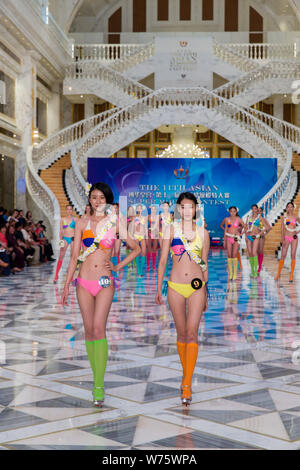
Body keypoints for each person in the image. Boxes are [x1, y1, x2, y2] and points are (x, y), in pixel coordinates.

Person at [62, 182, 140, 407]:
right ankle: (97, 377)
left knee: (99, 327)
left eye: (101, 197)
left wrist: (118, 266)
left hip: (105, 282)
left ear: (107, 200)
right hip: (83, 282)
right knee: (88, 330)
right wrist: (66, 284)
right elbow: (75, 255)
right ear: (89, 200)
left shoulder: (115, 223)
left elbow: (136, 248)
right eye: (94, 197)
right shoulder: (81, 223)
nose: (97, 201)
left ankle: (98, 384)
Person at [156, 192, 209, 406]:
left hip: (197, 286)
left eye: (191, 207)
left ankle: (186, 383)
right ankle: (185, 376)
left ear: (196, 209)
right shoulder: (170, 230)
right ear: (179, 209)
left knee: (192, 333)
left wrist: (207, 291)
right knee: (181, 333)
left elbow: (204, 263)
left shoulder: (203, 233)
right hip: (175, 286)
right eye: (183, 207)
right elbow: (162, 262)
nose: (187, 210)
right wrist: (158, 288)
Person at [275, 202, 300, 282]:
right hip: (286, 237)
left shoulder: (296, 217)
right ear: (286, 208)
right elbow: (282, 228)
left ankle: (291, 276)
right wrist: (283, 238)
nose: (289, 208)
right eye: (288, 207)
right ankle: (278, 274)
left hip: (294, 237)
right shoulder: (284, 217)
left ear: (293, 208)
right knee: (283, 255)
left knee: (293, 255)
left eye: (291, 207)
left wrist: (297, 231)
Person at [221, 207, 247, 281]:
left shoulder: (238, 219)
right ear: (229, 212)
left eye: (234, 211)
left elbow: (245, 227)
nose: (232, 213)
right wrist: (224, 240)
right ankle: (230, 273)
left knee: (234, 255)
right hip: (229, 237)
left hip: (236, 238)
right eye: (231, 211)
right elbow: (225, 229)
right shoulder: (227, 219)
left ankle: (235, 274)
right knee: (229, 255)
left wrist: (241, 233)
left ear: (236, 212)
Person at [54, 205, 77, 283]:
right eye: (68, 209)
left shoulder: (75, 219)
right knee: (61, 256)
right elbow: (60, 231)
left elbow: (77, 231)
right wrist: (61, 242)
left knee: (73, 258)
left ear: (72, 210)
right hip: (65, 238)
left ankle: (71, 277)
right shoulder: (62, 219)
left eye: (70, 209)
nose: (69, 211)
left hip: (73, 238)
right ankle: (56, 275)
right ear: (66, 210)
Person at [245, 204, 269, 279]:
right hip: (249, 236)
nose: (254, 210)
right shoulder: (248, 217)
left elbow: (267, 227)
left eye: (255, 208)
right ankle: (252, 271)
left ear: (257, 209)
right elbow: (246, 227)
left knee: (254, 252)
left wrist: (259, 234)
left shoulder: (259, 217)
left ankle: (255, 272)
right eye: (252, 209)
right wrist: (245, 236)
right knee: (250, 253)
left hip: (255, 237)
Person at [130, 204, 147, 277]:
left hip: (142, 236)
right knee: (137, 252)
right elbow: (132, 227)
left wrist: (146, 236)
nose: (139, 209)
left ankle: (141, 269)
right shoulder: (134, 217)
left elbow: (145, 227)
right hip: (136, 235)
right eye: (138, 208)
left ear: (142, 209)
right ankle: (139, 271)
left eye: (140, 208)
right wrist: (132, 236)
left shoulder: (144, 217)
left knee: (143, 252)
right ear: (136, 209)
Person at [257, 207, 271, 273]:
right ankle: (257, 264)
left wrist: (265, 234)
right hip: (255, 236)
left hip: (261, 237)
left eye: (260, 211)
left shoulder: (263, 219)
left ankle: (260, 266)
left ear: (262, 212)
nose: (259, 212)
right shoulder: (253, 219)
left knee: (260, 250)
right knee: (256, 251)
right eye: (258, 211)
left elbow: (269, 228)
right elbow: (250, 227)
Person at [147, 205, 160, 271]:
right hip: (149, 234)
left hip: (155, 234)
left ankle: (154, 265)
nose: (153, 210)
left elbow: (156, 226)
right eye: (152, 209)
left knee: (154, 250)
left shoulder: (158, 217)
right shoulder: (148, 216)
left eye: (154, 209)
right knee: (149, 250)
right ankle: (148, 266)